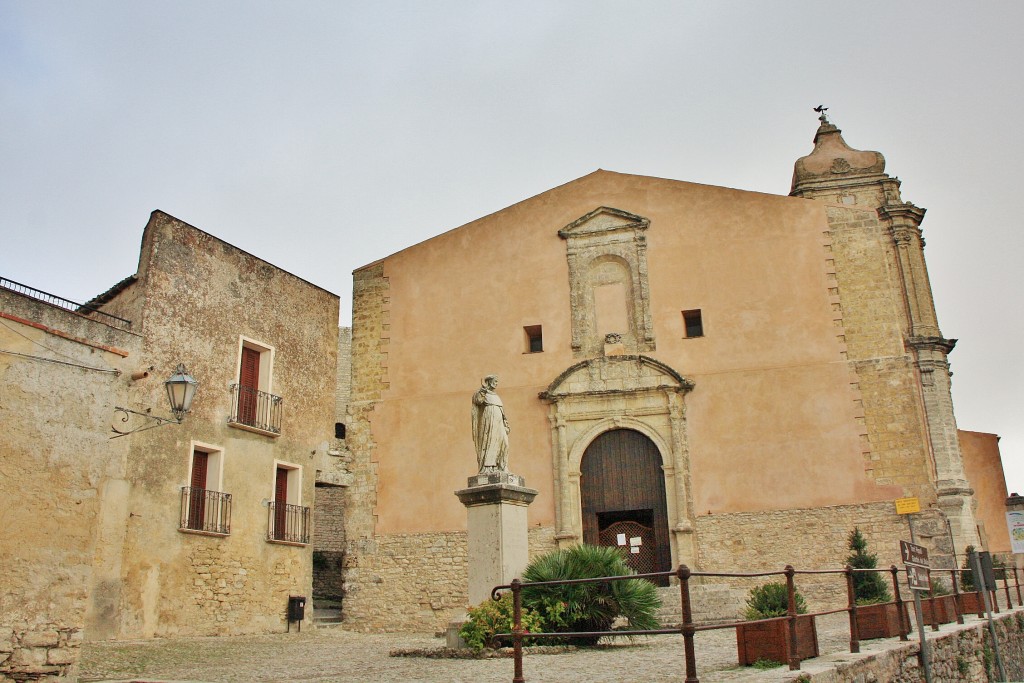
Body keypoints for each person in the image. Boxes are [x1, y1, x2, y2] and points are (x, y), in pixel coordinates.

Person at [471, 375, 509, 472]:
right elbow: (478, 400)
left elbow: (501, 410)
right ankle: (488, 467)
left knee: (504, 443)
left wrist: (505, 423)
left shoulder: (496, 396)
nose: (496, 383)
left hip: (499, 421)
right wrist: (483, 390)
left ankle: (502, 465)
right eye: (495, 381)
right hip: (490, 420)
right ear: (489, 382)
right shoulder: (482, 393)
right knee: (490, 442)